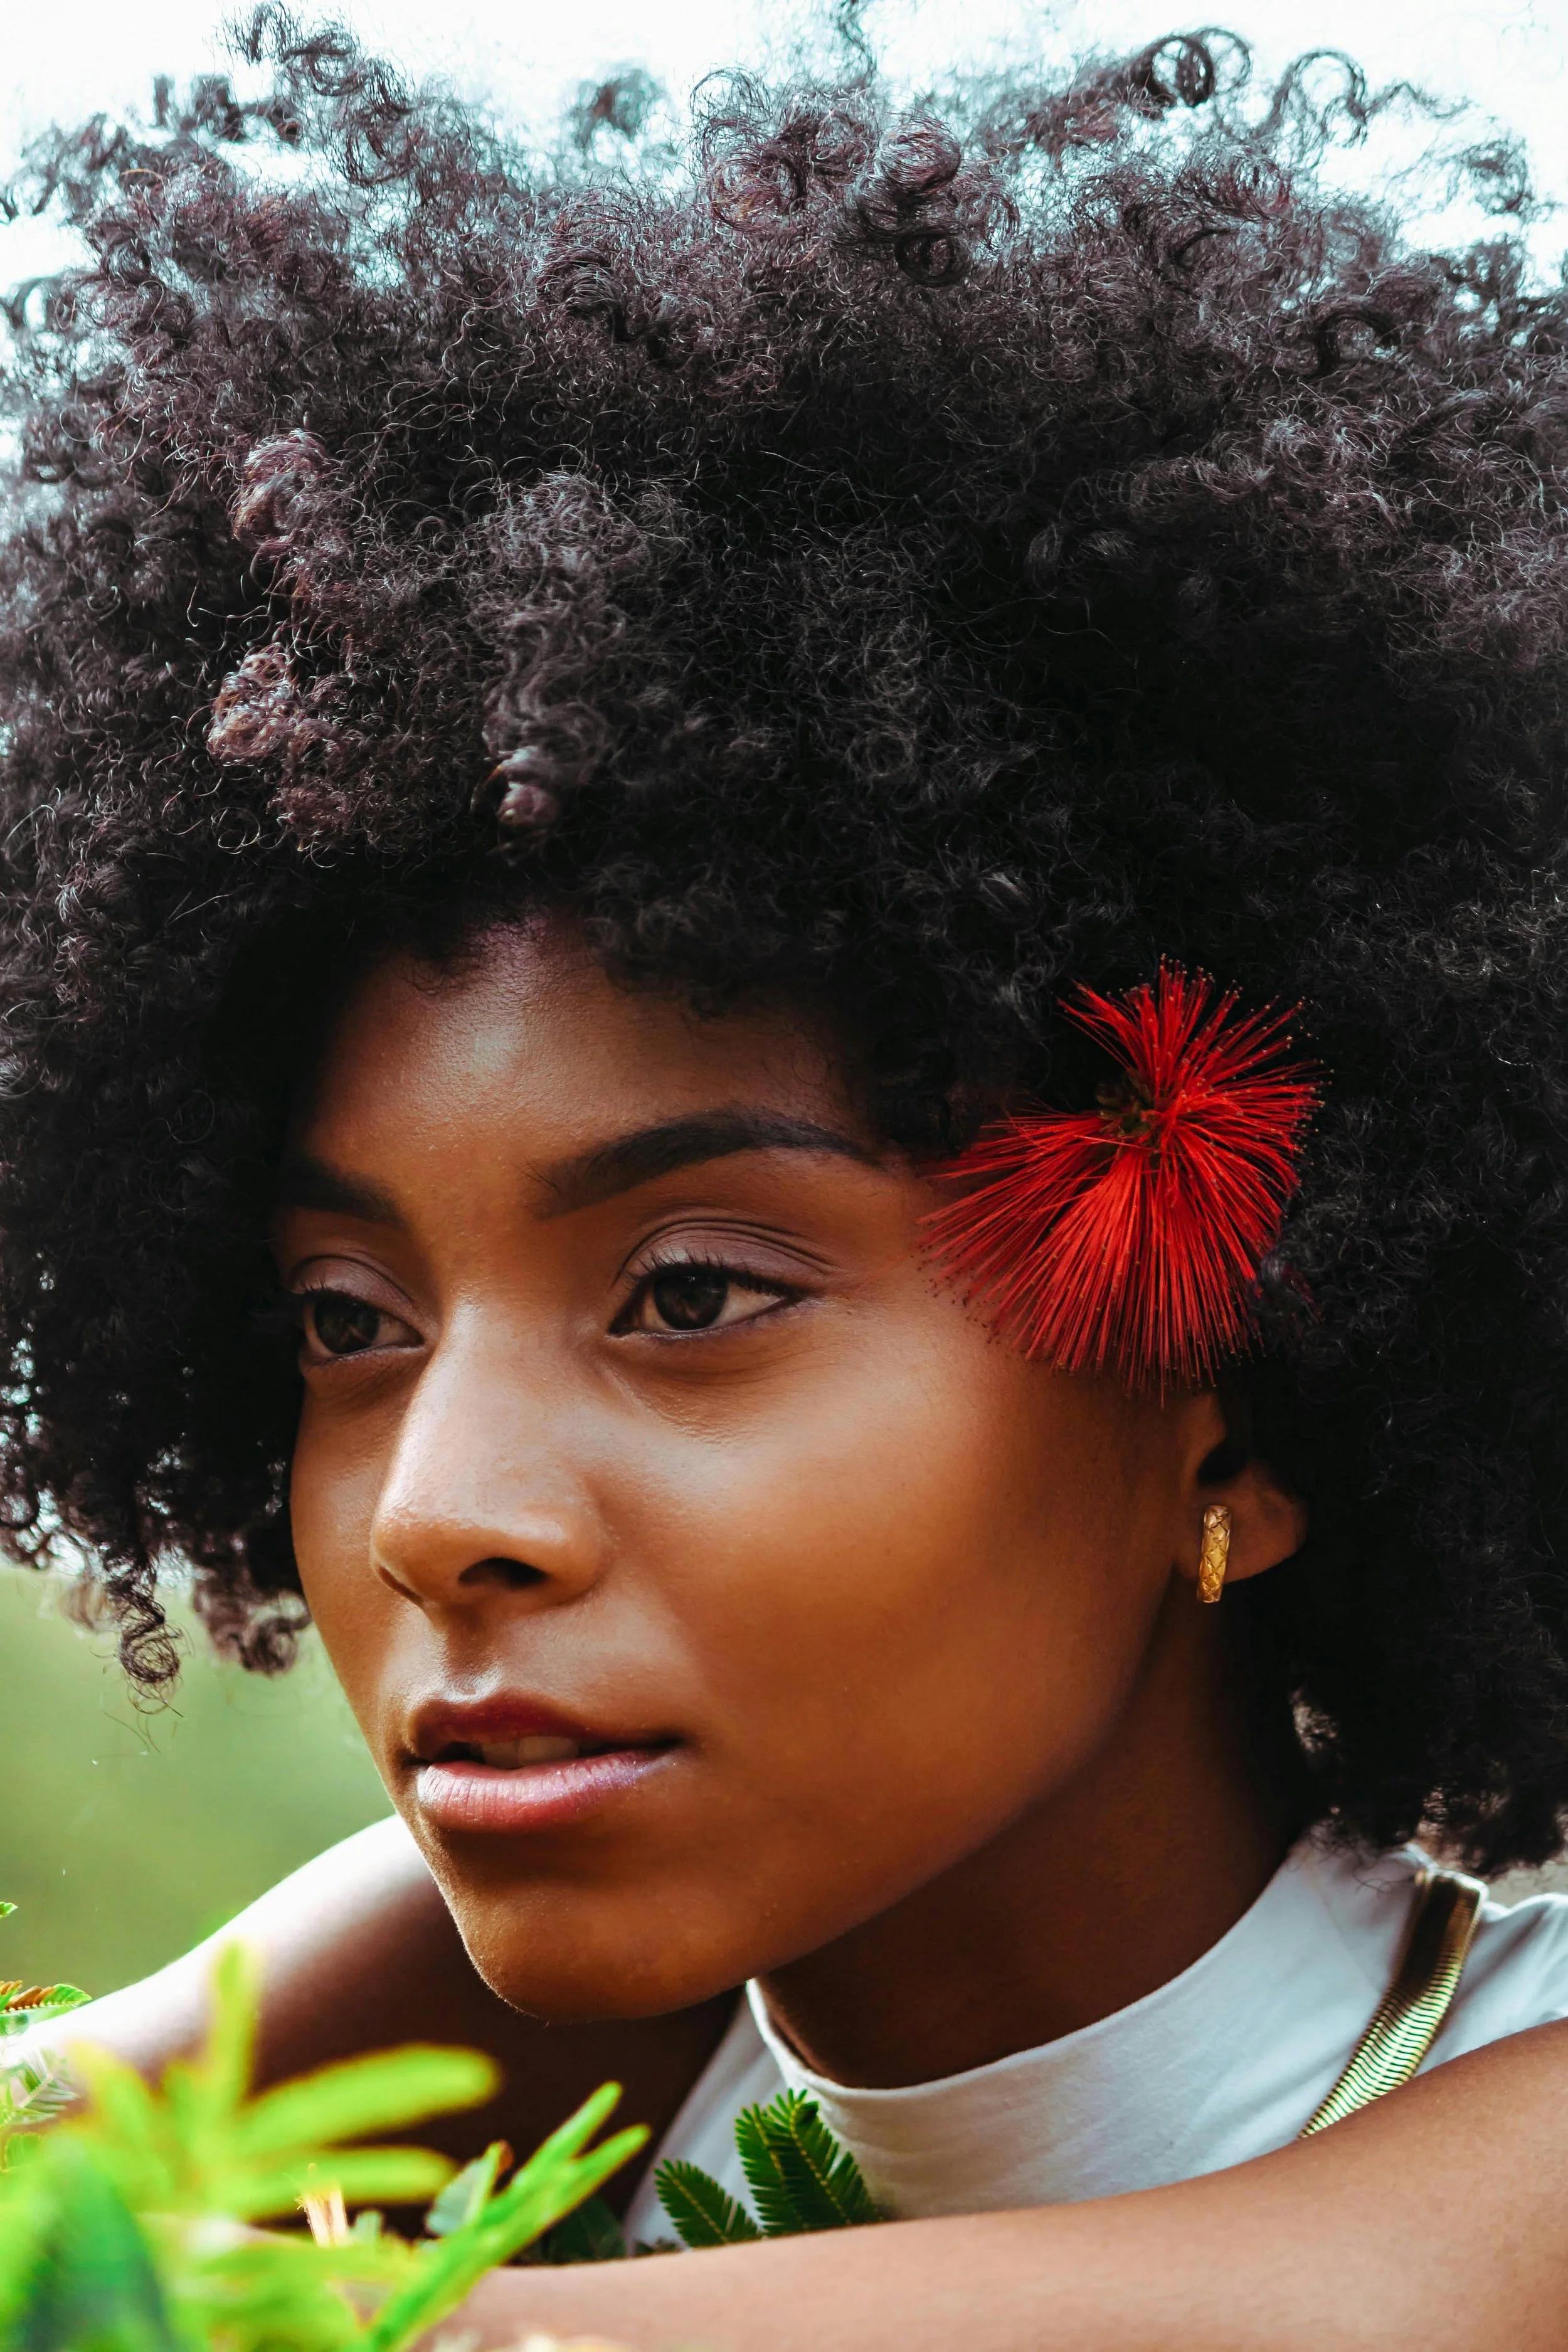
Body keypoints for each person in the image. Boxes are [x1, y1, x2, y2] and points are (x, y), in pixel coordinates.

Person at [8, 15, 1568, 2345]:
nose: (438, 1510)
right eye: (346, 1319)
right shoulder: (497, 2010)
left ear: (1231, 1386)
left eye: (693, 1292)